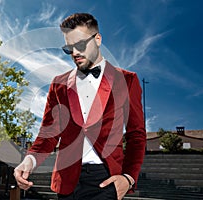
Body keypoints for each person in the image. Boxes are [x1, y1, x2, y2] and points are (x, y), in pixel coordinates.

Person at [14, 13, 146, 200]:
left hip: (106, 181)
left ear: (98, 39)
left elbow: (136, 135)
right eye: (69, 48)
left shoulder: (127, 80)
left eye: (81, 45)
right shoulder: (58, 84)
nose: (75, 53)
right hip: (66, 181)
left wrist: (129, 178)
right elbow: (48, 134)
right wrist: (29, 161)